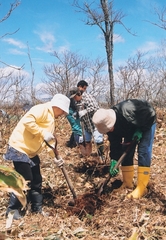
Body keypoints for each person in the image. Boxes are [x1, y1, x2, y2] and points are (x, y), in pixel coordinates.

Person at [3, 94, 70, 219]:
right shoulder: (42, 109)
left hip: (31, 151)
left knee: (37, 179)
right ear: (57, 106)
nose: (62, 114)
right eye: (62, 111)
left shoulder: (51, 119)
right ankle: (12, 210)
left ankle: (37, 208)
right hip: (19, 147)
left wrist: (55, 157)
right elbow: (27, 121)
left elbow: (48, 141)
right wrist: (42, 132)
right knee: (25, 179)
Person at [92, 99, 156, 199]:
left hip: (146, 122)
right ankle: (127, 183)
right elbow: (115, 144)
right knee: (126, 150)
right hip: (130, 128)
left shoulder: (127, 111)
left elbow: (150, 114)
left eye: (109, 128)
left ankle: (142, 188)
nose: (110, 131)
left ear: (112, 121)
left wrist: (140, 129)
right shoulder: (109, 127)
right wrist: (114, 160)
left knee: (143, 151)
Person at [69, 87, 105, 161]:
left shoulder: (88, 98)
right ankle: (87, 157)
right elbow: (78, 110)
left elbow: (95, 107)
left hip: (95, 123)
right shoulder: (76, 102)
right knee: (87, 141)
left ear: (78, 94)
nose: (74, 99)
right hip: (86, 125)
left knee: (98, 140)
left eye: (75, 97)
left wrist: (86, 111)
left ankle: (102, 155)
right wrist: (77, 114)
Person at [66, 80, 88, 148]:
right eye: (84, 88)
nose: (84, 90)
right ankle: (77, 144)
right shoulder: (74, 93)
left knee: (77, 127)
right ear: (79, 86)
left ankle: (71, 143)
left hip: (73, 111)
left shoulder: (77, 93)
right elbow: (73, 104)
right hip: (71, 111)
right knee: (77, 128)